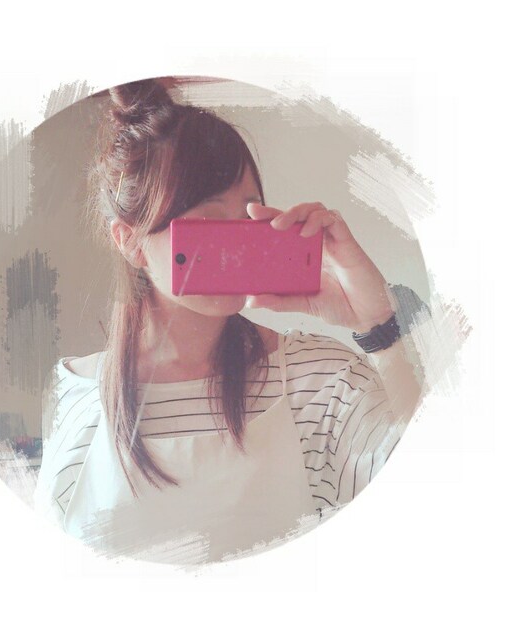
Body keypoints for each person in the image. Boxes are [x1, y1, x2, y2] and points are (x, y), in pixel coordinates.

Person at [34, 78, 427, 565]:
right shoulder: (73, 397)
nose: (239, 240)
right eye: (207, 219)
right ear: (130, 241)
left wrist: (379, 323)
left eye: (247, 215)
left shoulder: (321, 380)